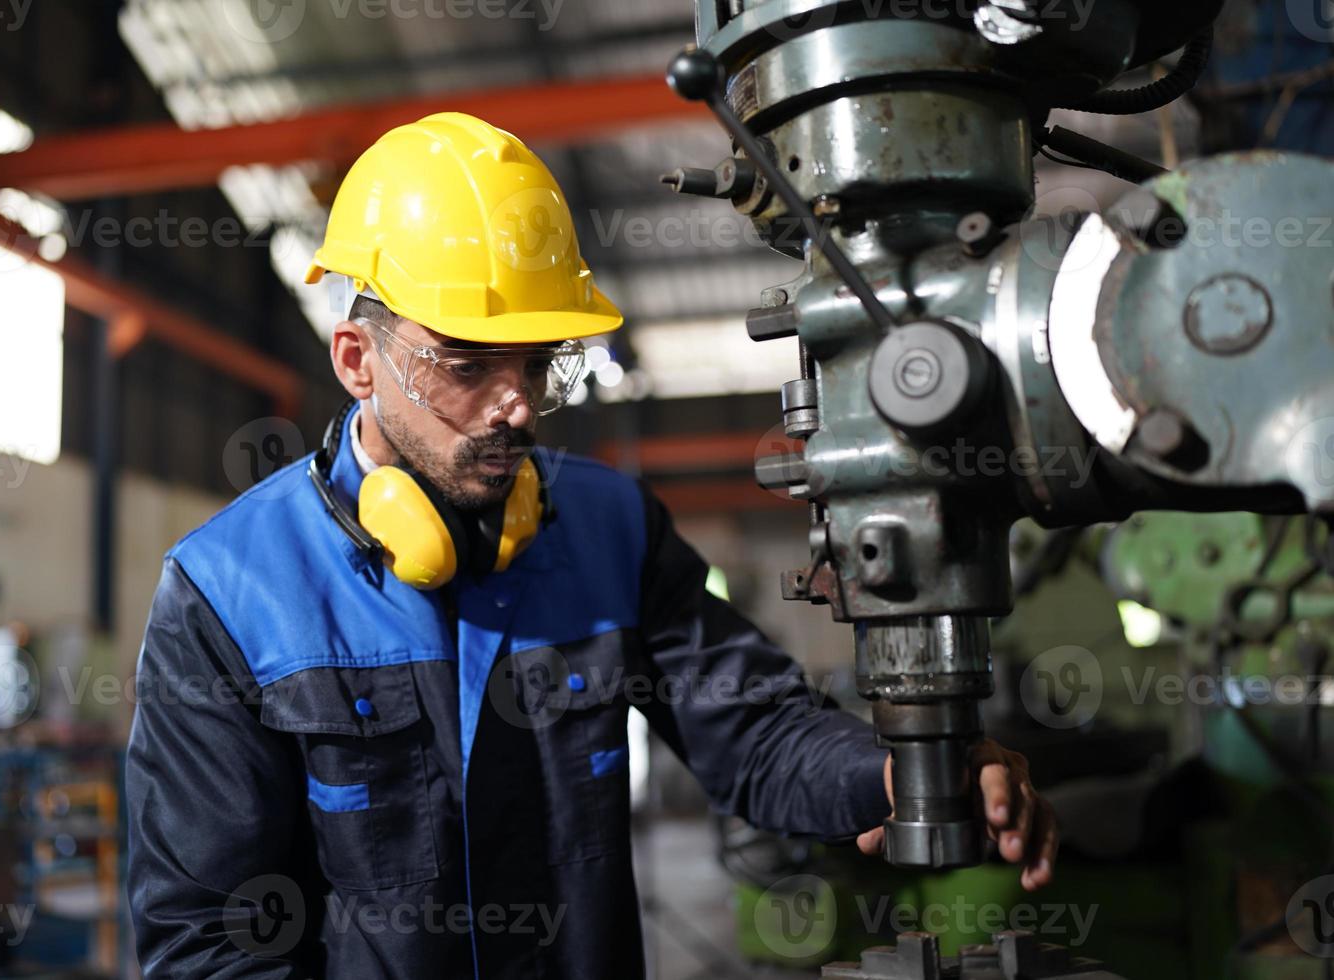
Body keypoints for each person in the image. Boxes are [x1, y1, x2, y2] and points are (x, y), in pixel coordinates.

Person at [125, 112, 1056, 979]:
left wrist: (891, 772)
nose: (518, 404)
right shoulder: (229, 591)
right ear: (358, 361)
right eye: (467, 365)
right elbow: (210, 939)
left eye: (538, 362)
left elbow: (754, 732)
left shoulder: (611, 530)